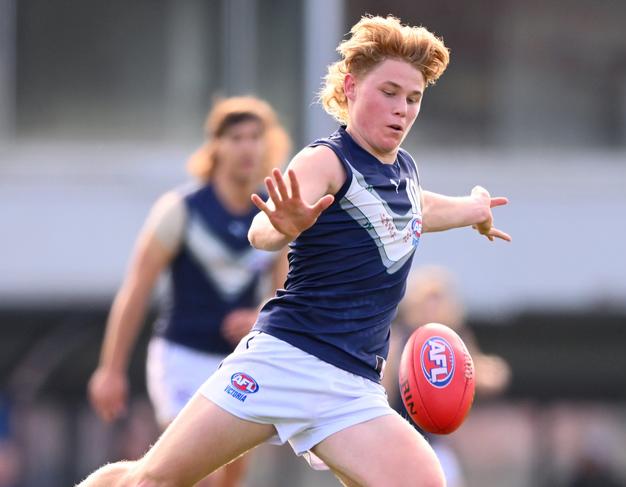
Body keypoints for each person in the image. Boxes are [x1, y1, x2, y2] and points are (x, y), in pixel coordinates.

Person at [78, 15, 511, 487]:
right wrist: (280, 227)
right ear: (350, 87)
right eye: (388, 93)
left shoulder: (404, 169)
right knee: (152, 482)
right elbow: (263, 230)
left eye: (413, 98)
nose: (401, 109)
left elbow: (418, 208)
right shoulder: (325, 159)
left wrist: (474, 209)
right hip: (285, 360)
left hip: (352, 390)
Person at [86, 96, 290, 487]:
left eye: (254, 137)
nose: (247, 147)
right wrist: (110, 370)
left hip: (236, 365)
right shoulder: (180, 209)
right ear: (216, 145)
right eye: (235, 137)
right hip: (180, 356)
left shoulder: (272, 213)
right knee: (193, 470)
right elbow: (136, 290)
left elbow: (283, 296)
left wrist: (258, 317)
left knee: (232, 473)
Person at [384, 266, 512, 487]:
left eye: (438, 300)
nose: (432, 307)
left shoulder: (454, 339)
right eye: (427, 300)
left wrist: (487, 373)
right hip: (403, 439)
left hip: (437, 442)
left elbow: (487, 374)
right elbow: (384, 387)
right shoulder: (400, 338)